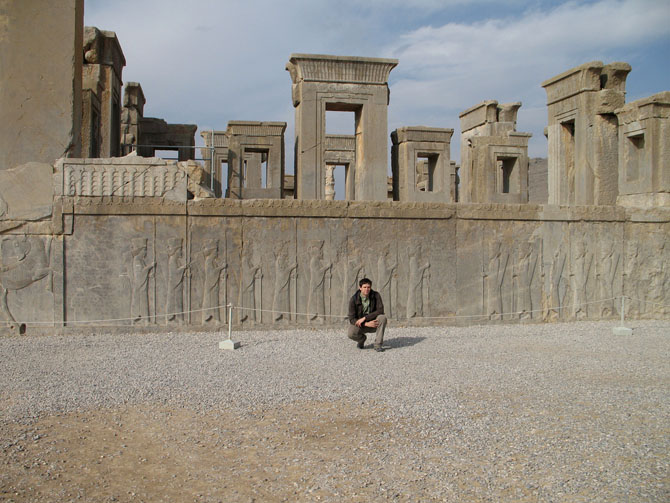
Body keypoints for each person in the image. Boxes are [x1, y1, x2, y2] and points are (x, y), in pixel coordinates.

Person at [347, 277, 387, 352]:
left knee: (382, 318)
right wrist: (366, 323)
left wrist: (365, 318)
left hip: (374, 323)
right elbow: (352, 319)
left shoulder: (376, 295)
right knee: (351, 333)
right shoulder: (354, 299)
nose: (367, 289)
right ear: (360, 288)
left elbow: (380, 310)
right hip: (362, 324)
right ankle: (361, 340)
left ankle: (378, 345)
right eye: (364, 287)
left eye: (368, 287)